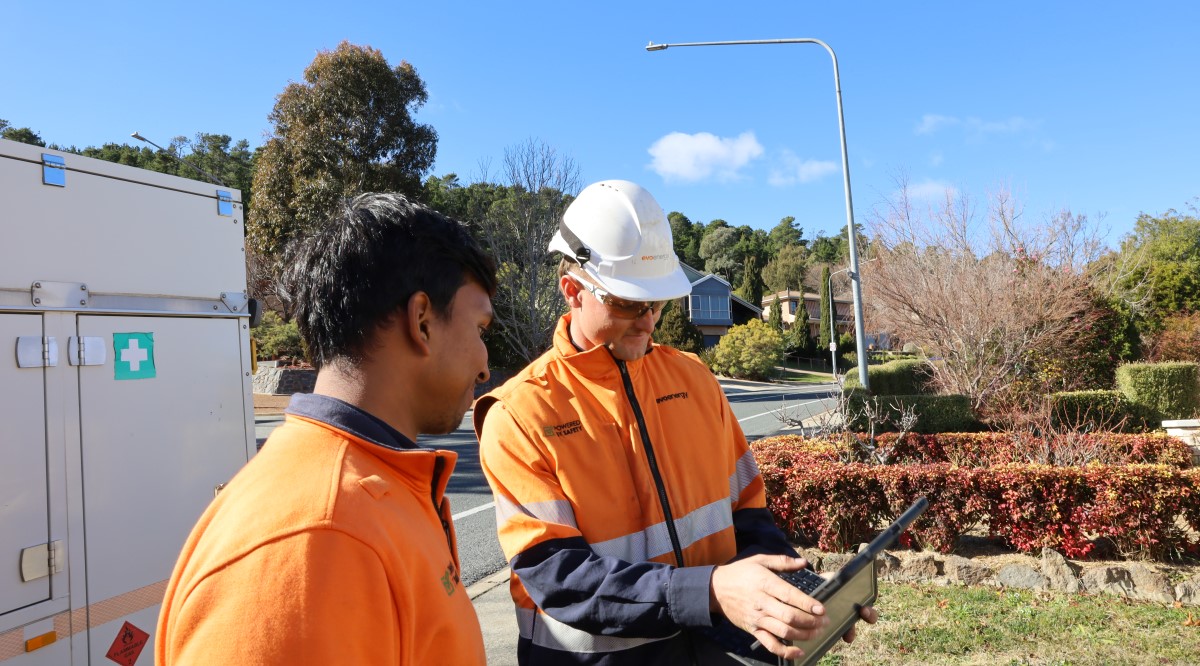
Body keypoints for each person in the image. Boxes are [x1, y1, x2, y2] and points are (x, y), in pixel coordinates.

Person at [474, 180, 875, 665]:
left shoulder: (694, 377)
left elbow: (747, 514)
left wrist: (792, 595)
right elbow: (558, 576)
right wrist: (706, 590)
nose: (647, 322)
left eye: (657, 303)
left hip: (717, 650)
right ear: (572, 290)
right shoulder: (519, 414)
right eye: (627, 303)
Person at [157, 193, 496, 665]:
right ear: (422, 321)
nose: (485, 365)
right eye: (480, 328)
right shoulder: (318, 538)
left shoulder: (369, 486)